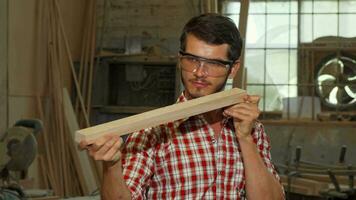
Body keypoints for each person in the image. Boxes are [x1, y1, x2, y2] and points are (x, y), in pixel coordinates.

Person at [80, 13, 284, 200]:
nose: (199, 72)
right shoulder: (153, 130)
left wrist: (245, 139)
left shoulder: (251, 128)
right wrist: (112, 165)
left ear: (233, 69)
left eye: (213, 63)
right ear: (180, 59)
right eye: (192, 60)